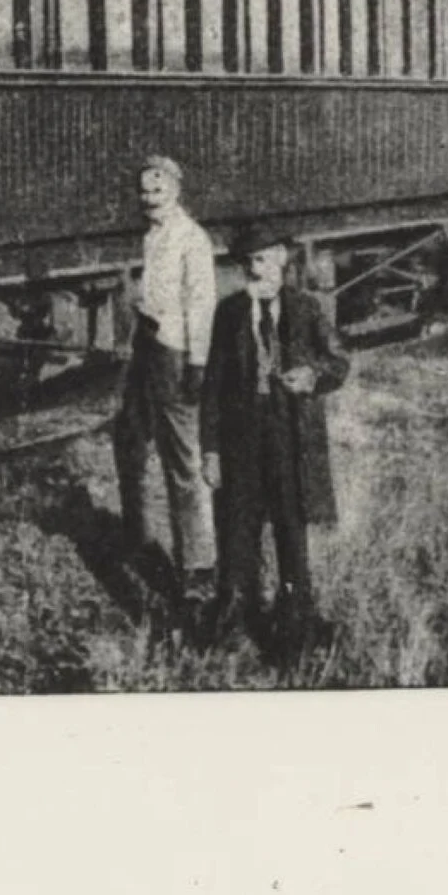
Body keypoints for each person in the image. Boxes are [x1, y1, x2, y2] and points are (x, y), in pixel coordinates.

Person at [199, 222, 351, 659]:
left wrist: (313, 376)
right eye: (247, 262)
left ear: (283, 258)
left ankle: (295, 628)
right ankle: (230, 623)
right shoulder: (229, 314)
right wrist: (210, 449)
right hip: (240, 439)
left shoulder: (306, 309)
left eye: (262, 259)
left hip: (290, 437)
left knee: (290, 530)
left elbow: (339, 361)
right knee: (237, 532)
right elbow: (212, 386)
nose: (254, 269)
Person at [111, 153, 217, 587]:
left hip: (175, 353)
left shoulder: (191, 238)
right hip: (148, 347)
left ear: (176, 191)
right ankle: (136, 533)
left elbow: (201, 303)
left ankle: (197, 564)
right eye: (145, 190)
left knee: (182, 458)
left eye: (159, 189)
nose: (149, 197)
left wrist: (197, 363)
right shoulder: (152, 237)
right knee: (128, 435)